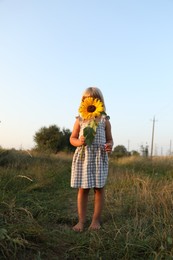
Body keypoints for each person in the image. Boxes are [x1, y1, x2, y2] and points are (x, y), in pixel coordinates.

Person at [70, 87, 113, 232]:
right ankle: (81, 221)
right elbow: (72, 138)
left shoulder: (105, 120)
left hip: (99, 158)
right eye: (87, 100)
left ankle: (95, 220)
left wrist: (109, 146)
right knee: (83, 189)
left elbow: (110, 139)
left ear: (100, 102)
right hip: (84, 157)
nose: (91, 102)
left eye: (95, 99)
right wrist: (79, 142)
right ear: (83, 102)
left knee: (99, 189)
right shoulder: (80, 120)